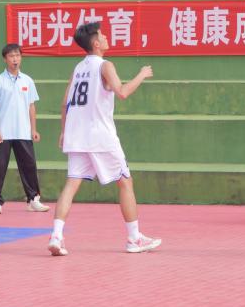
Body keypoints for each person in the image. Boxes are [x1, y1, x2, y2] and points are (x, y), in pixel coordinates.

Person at [48, 22, 161, 256]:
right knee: (125, 182)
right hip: (100, 136)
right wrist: (142, 74)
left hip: (76, 136)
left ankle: (56, 236)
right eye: (103, 35)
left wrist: (64, 131)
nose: (107, 37)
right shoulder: (105, 65)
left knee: (71, 184)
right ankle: (134, 239)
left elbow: (65, 102)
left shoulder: (78, 68)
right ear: (96, 43)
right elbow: (123, 92)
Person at [0, 44, 49, 214]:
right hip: (4, 132)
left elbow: (31, 106)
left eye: (17, 55)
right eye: (11, 56)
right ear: (5, 59)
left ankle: (33, 200)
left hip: (23, 131)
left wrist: (33, 129)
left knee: (29, 166)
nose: (15, 59)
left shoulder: (27, 81)